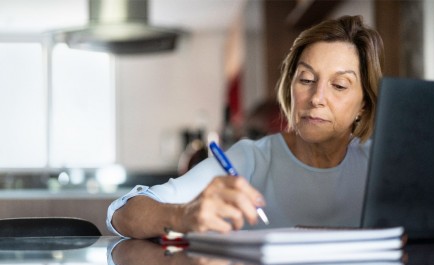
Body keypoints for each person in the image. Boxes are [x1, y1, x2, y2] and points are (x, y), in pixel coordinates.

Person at [107, 15, 384, 239]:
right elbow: (121, 212)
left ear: (363, 104)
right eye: (306, 79)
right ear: (290, 87)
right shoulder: (250, 159)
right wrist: (182, 216)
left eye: (339, 85)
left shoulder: (382, 166)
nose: (316, 98)